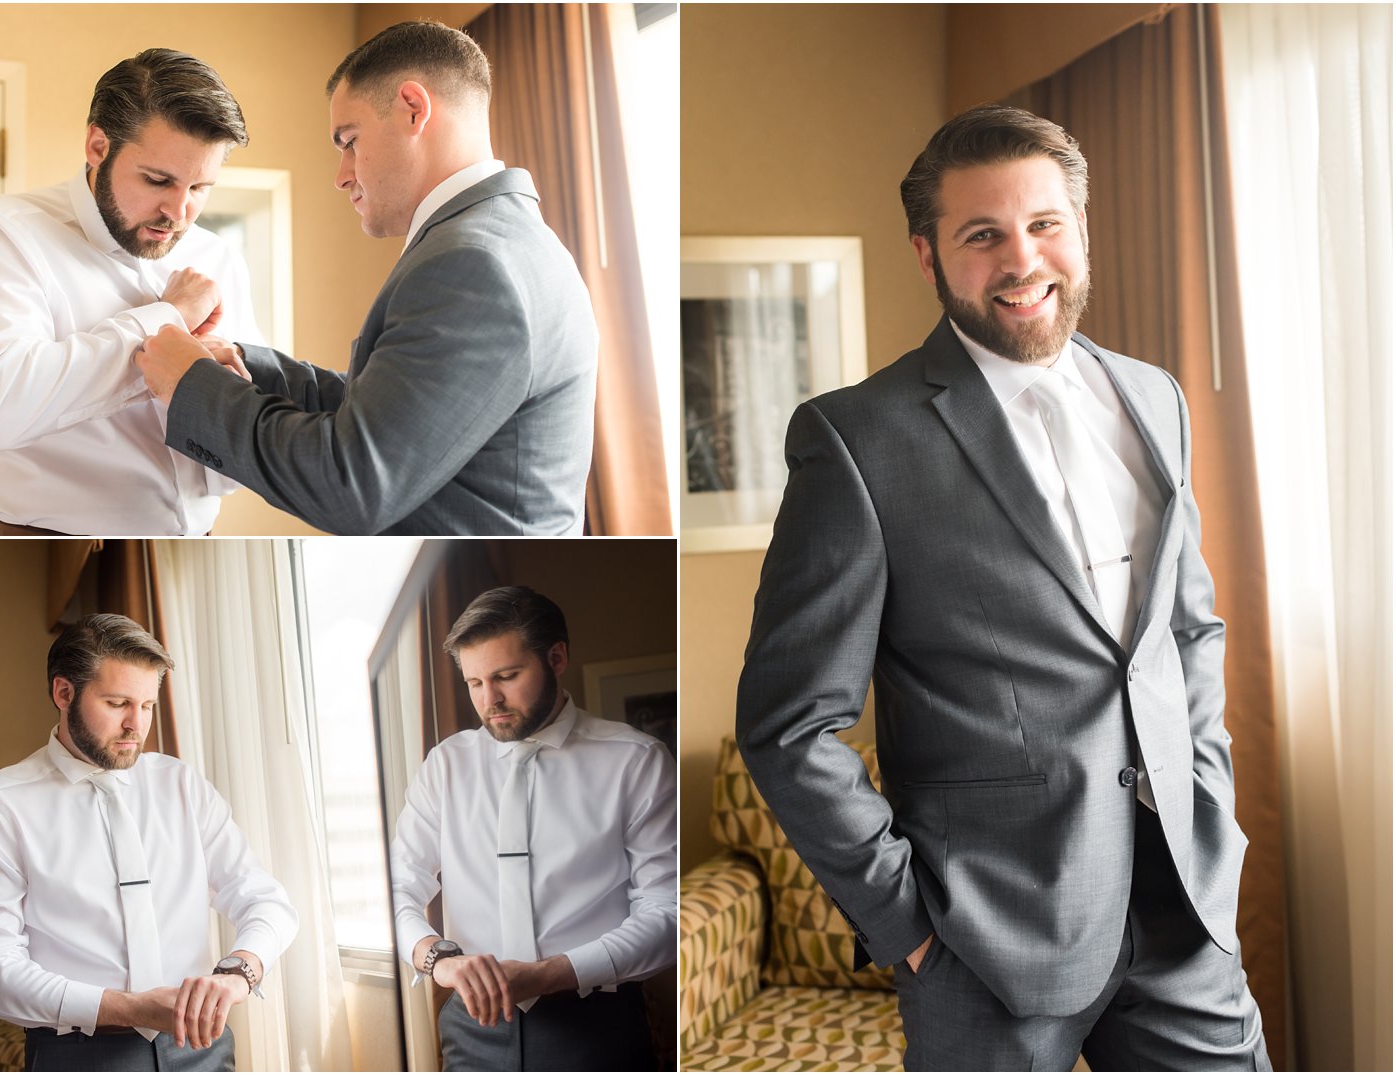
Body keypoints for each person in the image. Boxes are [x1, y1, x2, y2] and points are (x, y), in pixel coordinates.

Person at [735, 105, 1270, 1071]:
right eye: (982, 234)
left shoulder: (1156, 398)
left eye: (1044, 224)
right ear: (927, 252)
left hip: (1183, 911)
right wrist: (908, 925)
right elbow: (787, 724)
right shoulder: (856, 441)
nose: (1022, 260)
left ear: (1081, 228)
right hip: (985, 943)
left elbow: (1189, 630)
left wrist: (1211, 812)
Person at [134, 21, 599, 536]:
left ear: (413, 109)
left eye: (349, 141)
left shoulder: (471, 264)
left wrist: (189, 385)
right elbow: (393, 417)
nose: (341, 174)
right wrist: (244, 364)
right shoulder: (513, 243)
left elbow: (351, 483)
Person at [0, 614, 297, 1072]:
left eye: (148, 705)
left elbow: (266, 900)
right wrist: (128, 1007)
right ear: (63, 693)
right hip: (78, 1056)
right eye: (118, 703)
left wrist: (238, 974)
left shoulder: (182, 786)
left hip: (202, 1048)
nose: (137, 724)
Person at [0, 48, 261, 536]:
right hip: (50, 541)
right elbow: (0, 406)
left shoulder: (216, 258)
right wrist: (167, 318)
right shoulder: (4, 234)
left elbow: (244, 444)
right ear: (97, 146)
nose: (178, 212)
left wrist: (223, 387)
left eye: (200, 187)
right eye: (158, 180)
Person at [390, 587, 675, 1070]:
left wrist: (549, 975)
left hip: (596, 1027)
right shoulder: (445, 766)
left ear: (557, 657)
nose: (490, 700)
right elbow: (397, 889)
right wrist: (438, 960)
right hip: (469, 1027)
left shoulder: (636, 761)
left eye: (506, 676)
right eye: (475, 682)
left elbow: (668, 911)